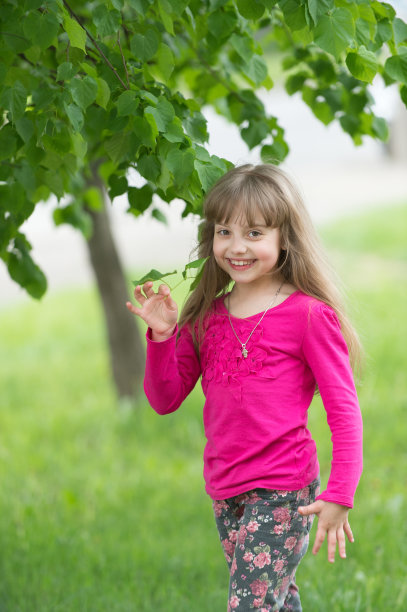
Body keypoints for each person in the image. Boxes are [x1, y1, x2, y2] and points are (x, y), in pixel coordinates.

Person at [126, 164, 363, 611]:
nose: (236, 247)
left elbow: (344, 410)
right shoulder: (206, 317)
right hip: (225, 486)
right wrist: (162, 336)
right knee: (275, 599)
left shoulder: (308, 316)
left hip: (282, 487)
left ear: (284, 238)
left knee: (250, 605)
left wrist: (341, 492)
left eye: (254, 233)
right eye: (224, 231)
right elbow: (164, 398)